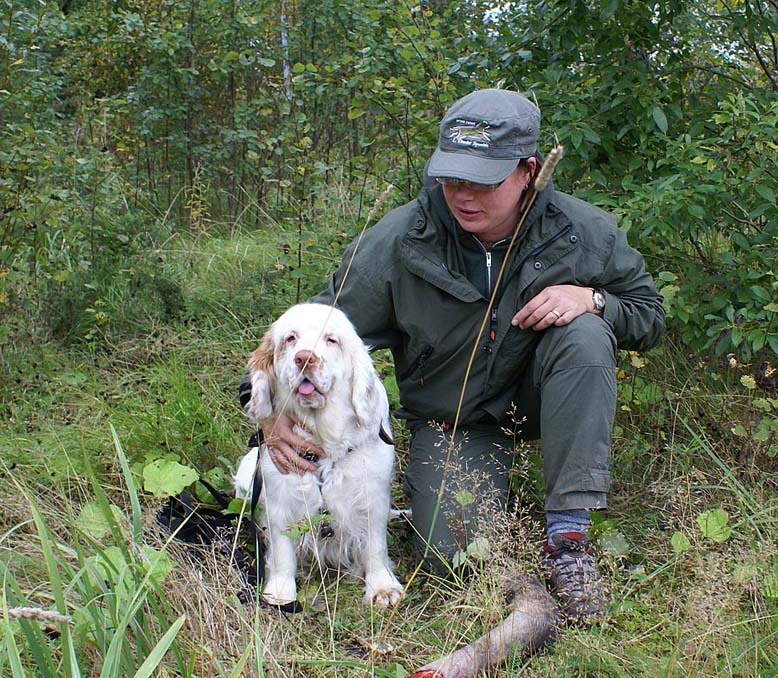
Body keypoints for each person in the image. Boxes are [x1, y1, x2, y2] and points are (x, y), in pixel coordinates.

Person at [242, 88, 664, 623]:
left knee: (584, 334)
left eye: (483, 182)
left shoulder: (582, 232)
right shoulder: (401, 239)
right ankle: (476, 496)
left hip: (543, 398)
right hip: (452, 421)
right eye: (451, 177)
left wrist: (594, 300)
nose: (463, 195)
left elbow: (649, 316)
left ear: (528, 171)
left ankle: (569, 540)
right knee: (452, 557)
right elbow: (315, 326)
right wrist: (269, 411)